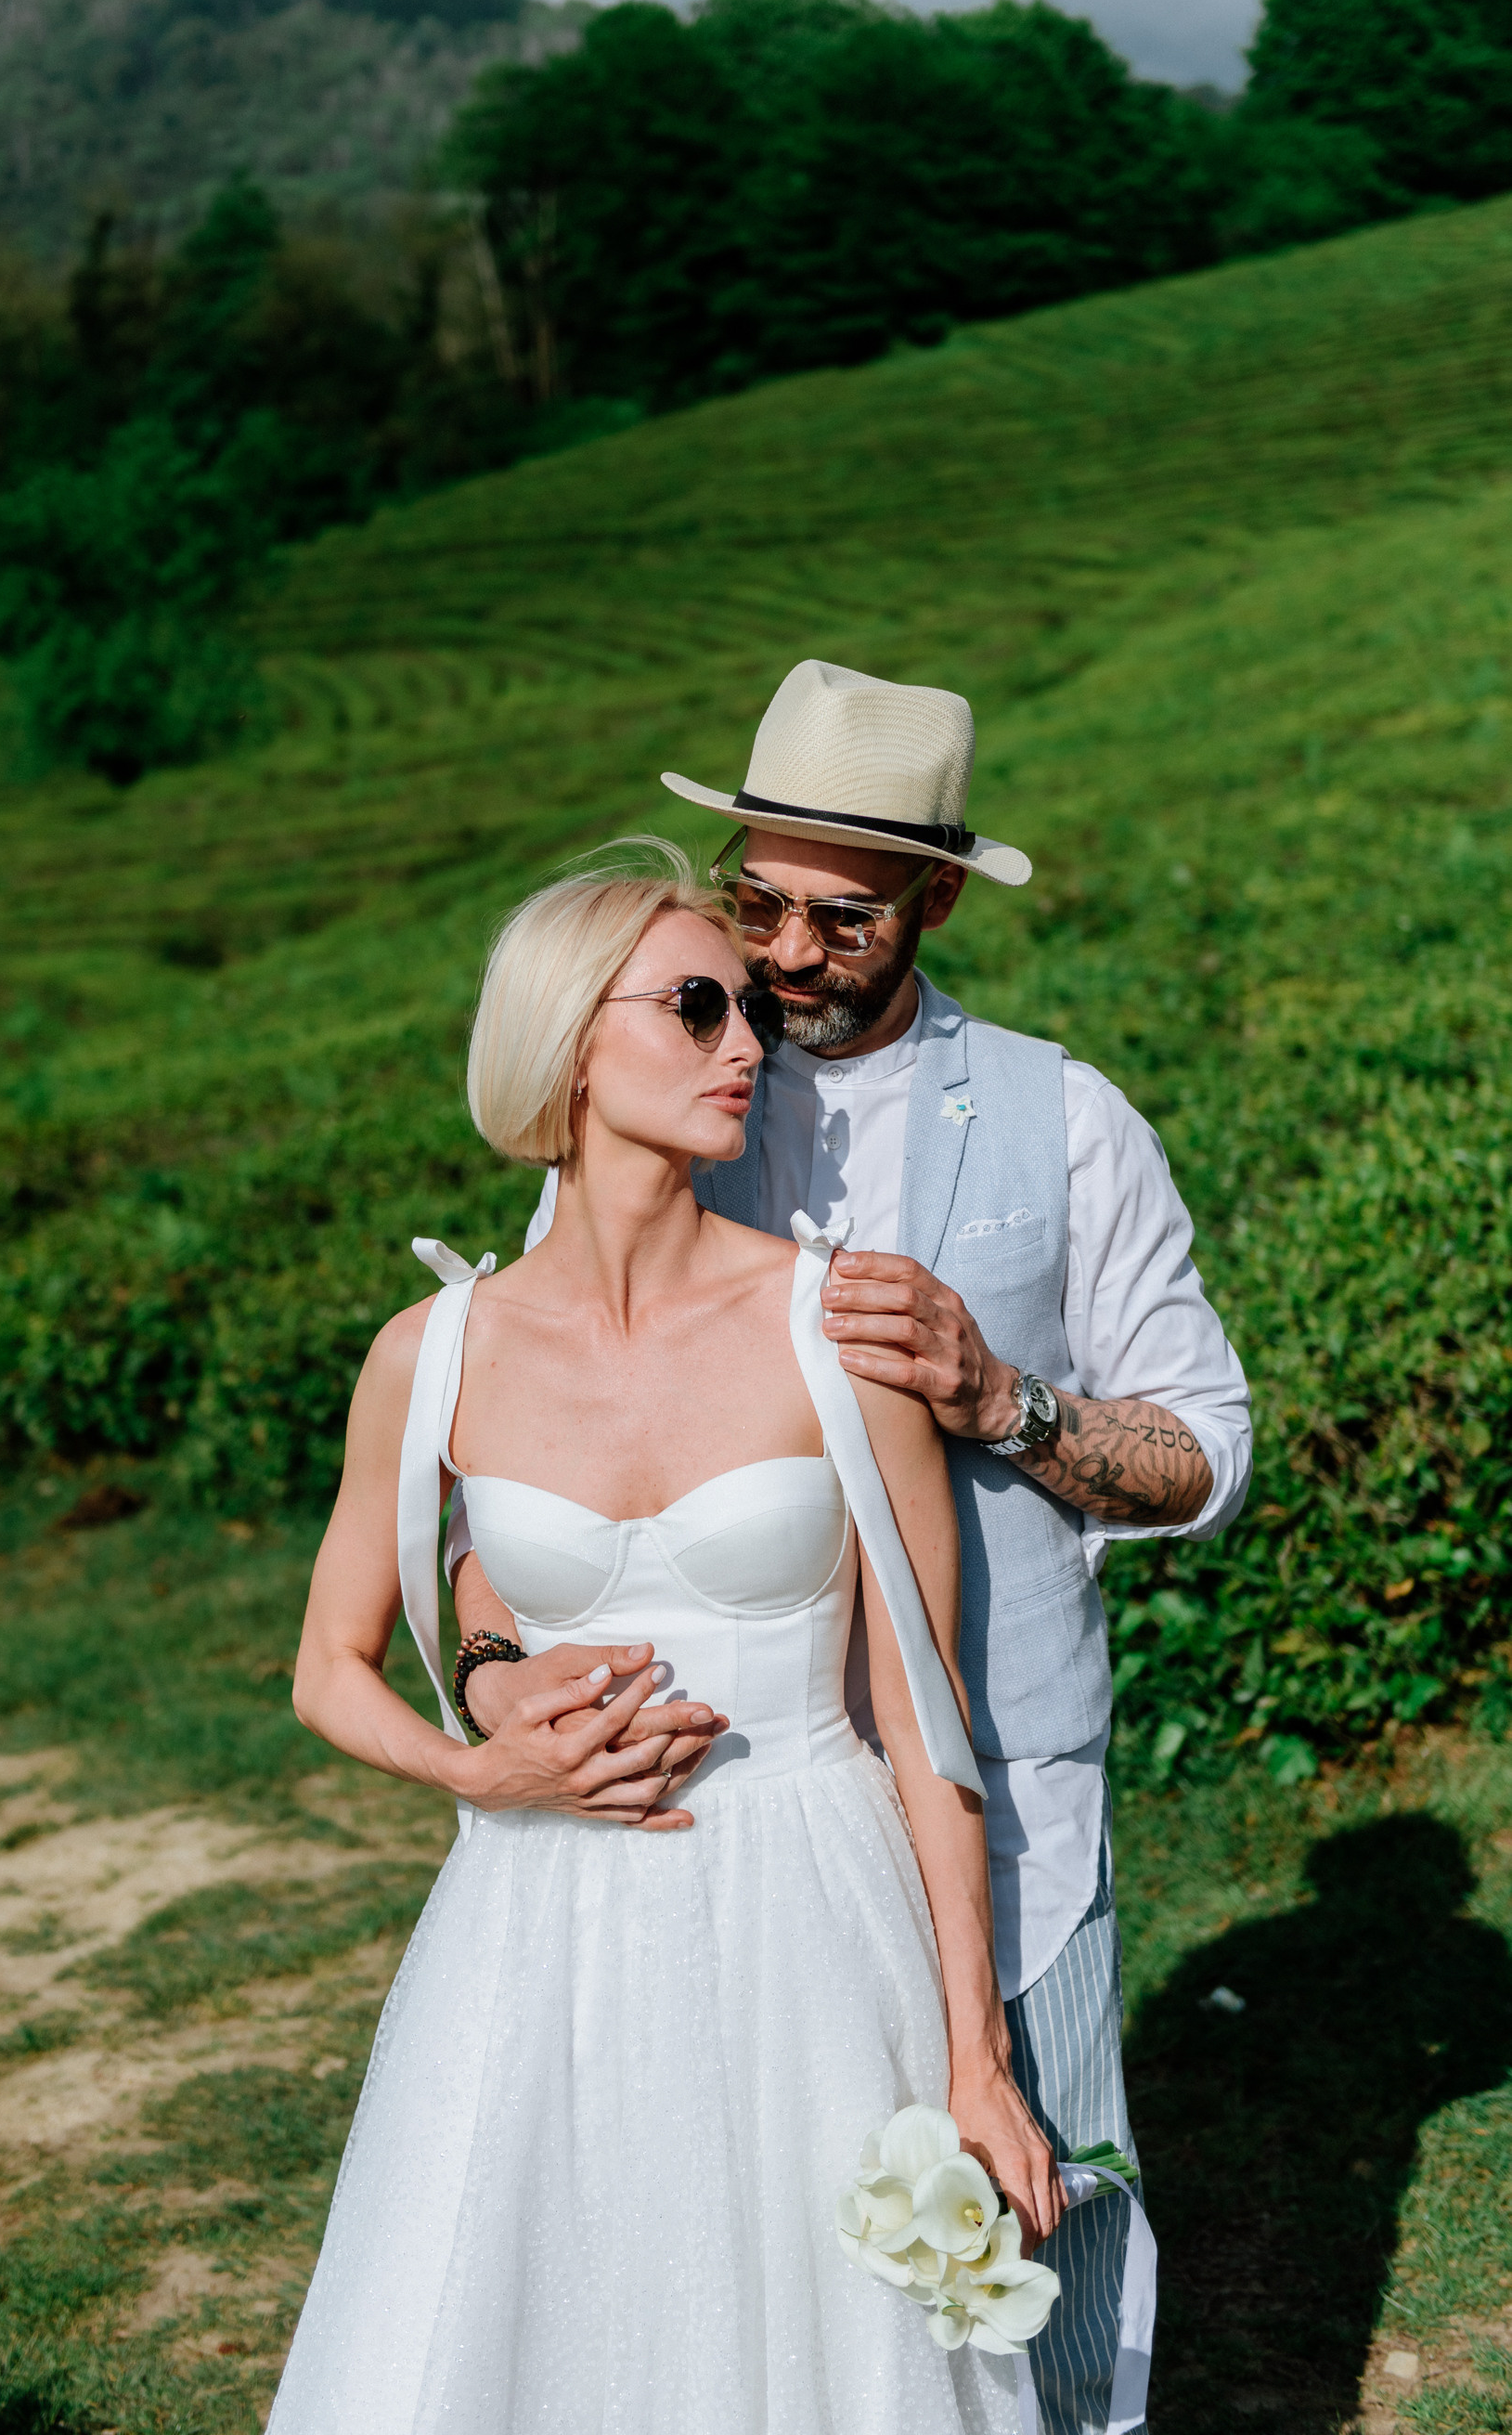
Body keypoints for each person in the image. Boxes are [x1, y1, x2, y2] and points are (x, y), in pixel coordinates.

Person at [450, 660, 1253, 2435]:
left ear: (937, 902)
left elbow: (1204, 1454)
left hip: (1005, 1785)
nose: (786, 959)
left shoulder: (1070, 1120)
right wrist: (498, 1680)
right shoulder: (664, 1076)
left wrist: (1000, 1398)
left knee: (1040, 2225)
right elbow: (492, 1491)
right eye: (759, 906)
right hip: (714, 1820)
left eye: (845, 918)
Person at [273, 848, 1053, 2435]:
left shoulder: (834, 1328)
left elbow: (927, 1717)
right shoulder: (432, 1354)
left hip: (811, 1914)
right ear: (570, 1042)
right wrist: (476, 1770)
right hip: (537, 1922)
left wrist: (976, 2059)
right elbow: (327, 1668)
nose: (747, 1041)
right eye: (698, 1006)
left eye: (747, 1008)